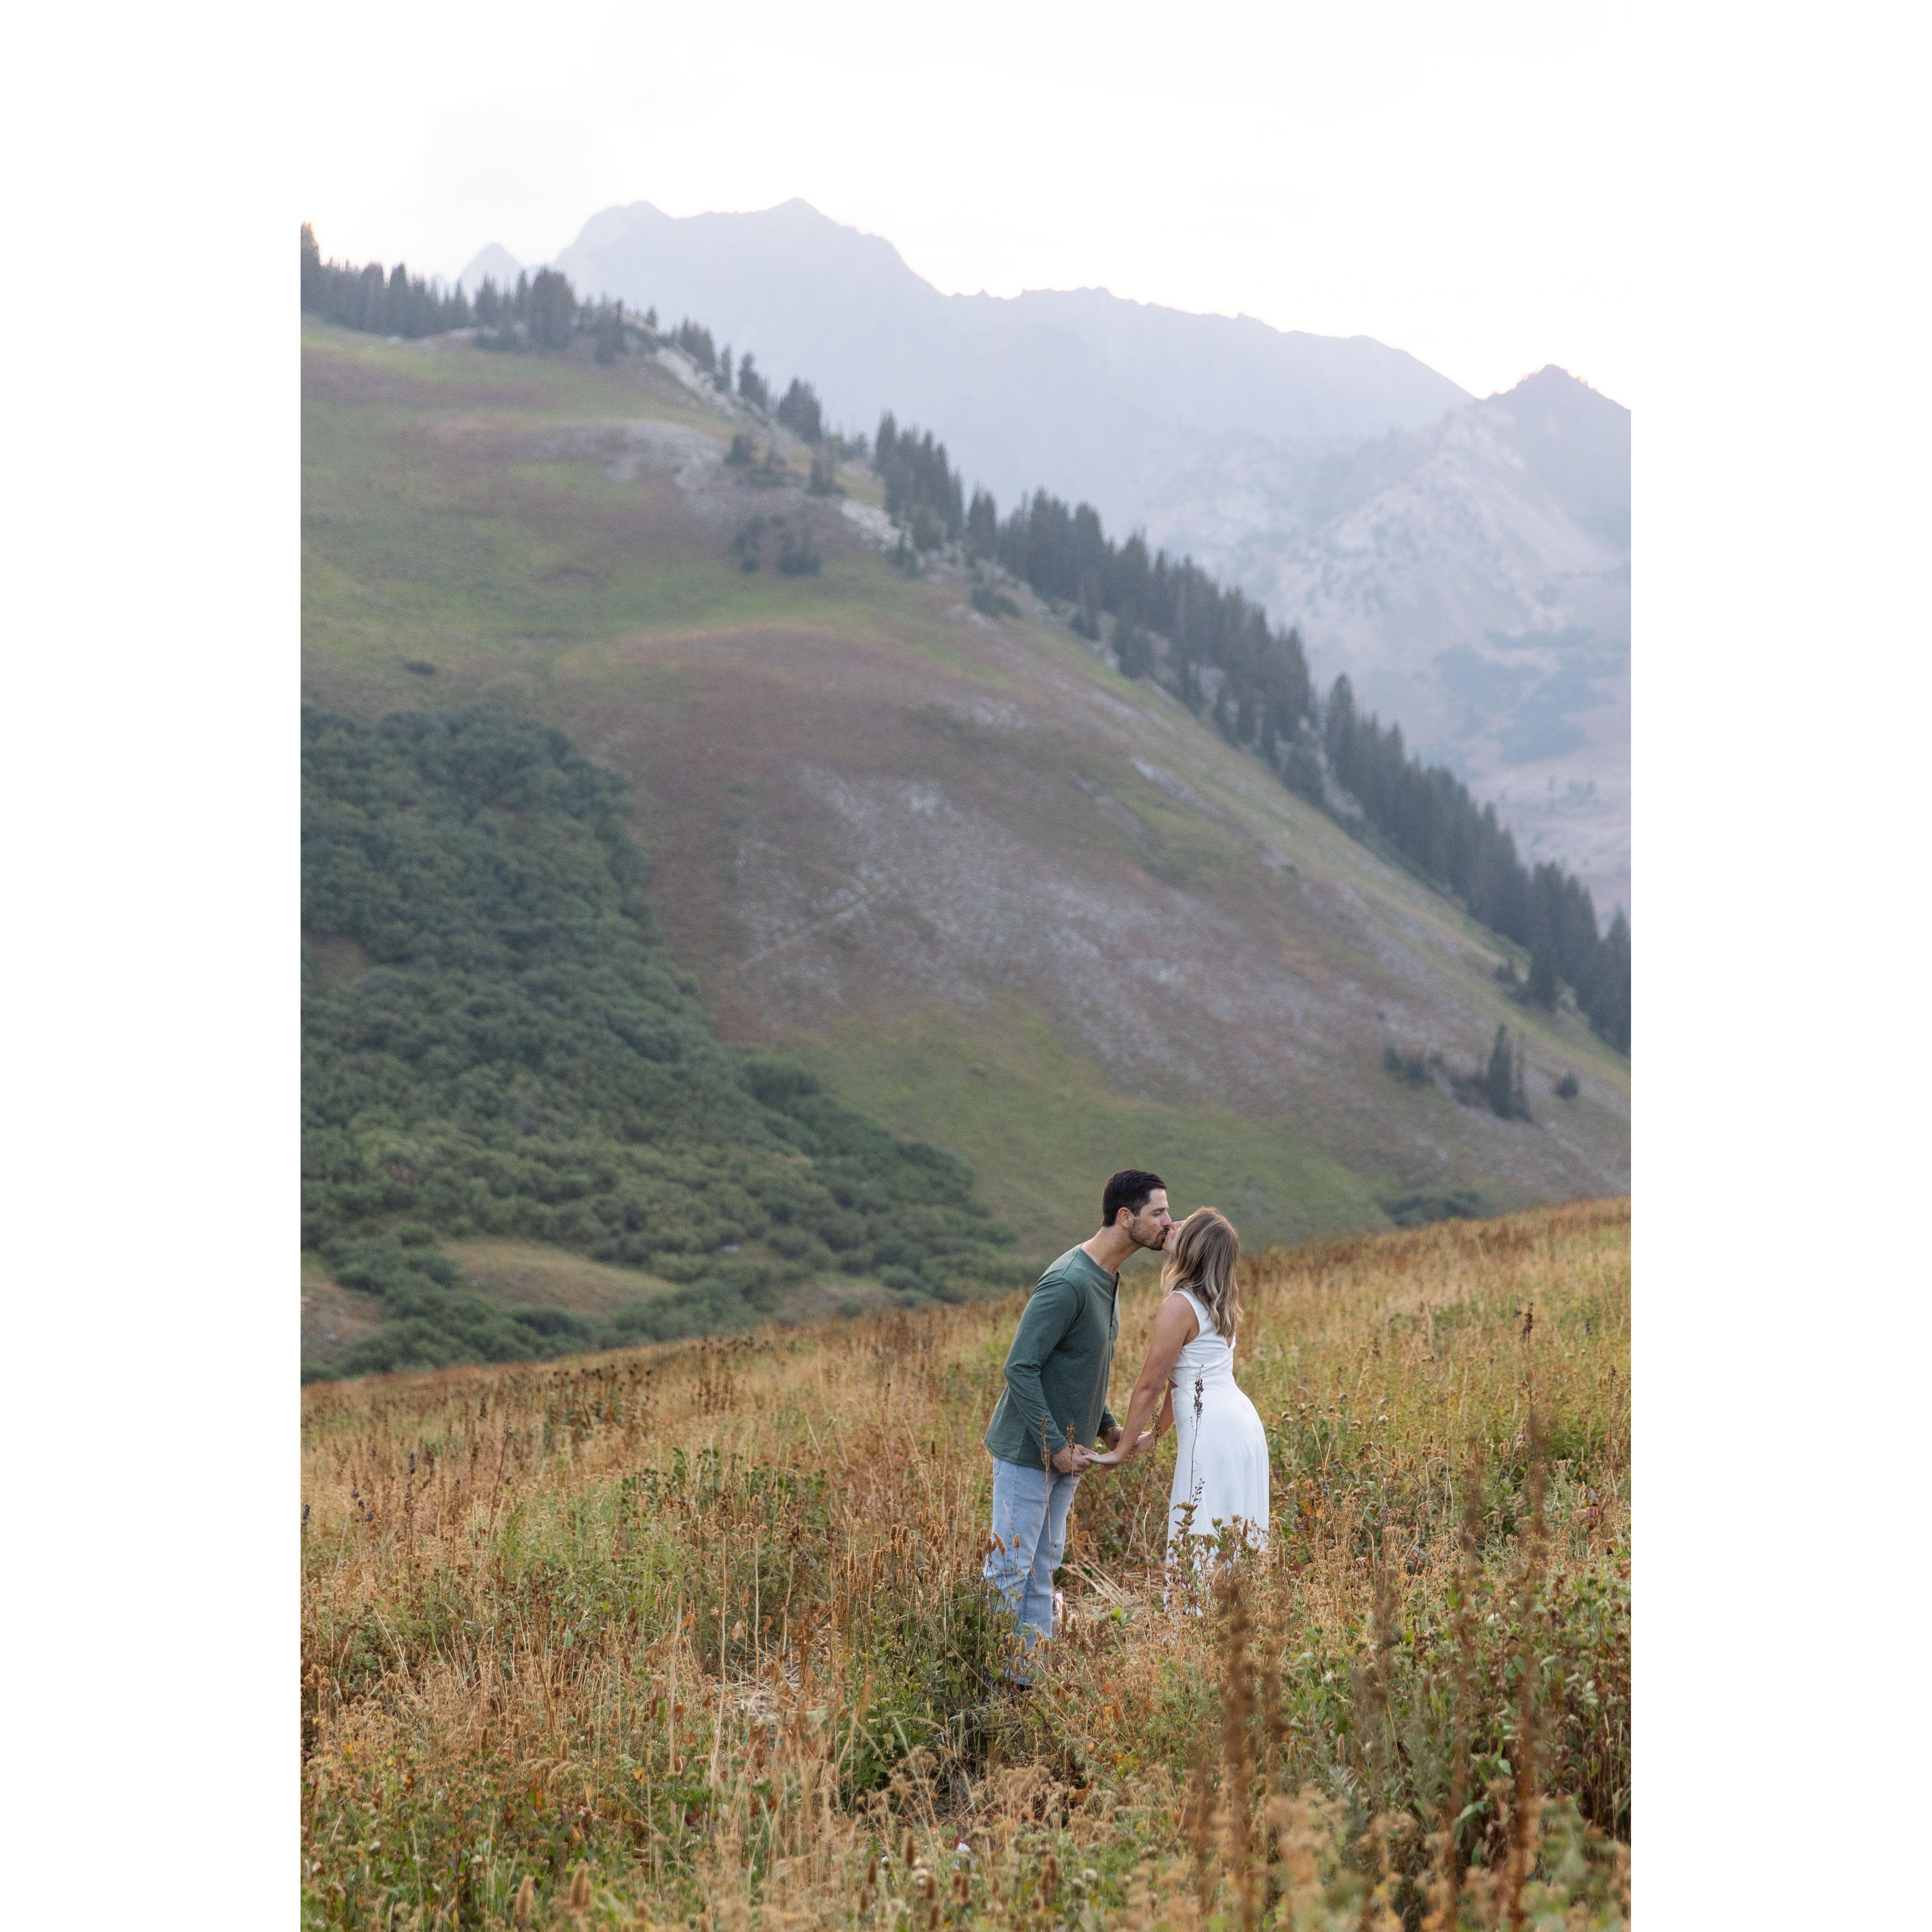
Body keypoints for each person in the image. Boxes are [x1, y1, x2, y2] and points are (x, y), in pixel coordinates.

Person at [980, 1169, 1174, 1673]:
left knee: (1042, 1568)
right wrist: (1054, 1445)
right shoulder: (1068, 1280)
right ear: (1125, 1216)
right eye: (1158, 1212)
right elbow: (1019, 1366)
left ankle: (1025, 1681)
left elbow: (1080, 1368)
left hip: (1067, 1452)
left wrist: (1107, 1427)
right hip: (1030, 1452)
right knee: (1009, 1570)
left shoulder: (1107, 1276)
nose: (1167, 1223)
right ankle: (987, 1688)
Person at [1093, 1206, 1269, 1573]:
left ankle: (1200, 1609)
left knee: (1199, 1533)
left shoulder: (1179, 1306)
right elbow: (1183, 1381)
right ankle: (1234, 1608)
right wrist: (1152, 1437)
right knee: (1233, 1539)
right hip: (1241, 1424)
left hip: (1213, 1430)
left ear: (1195, 1245)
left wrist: (1120, 1451)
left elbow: (1150, 1386)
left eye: (1184, 1225)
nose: (1172, 1224)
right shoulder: (1219, 1302)